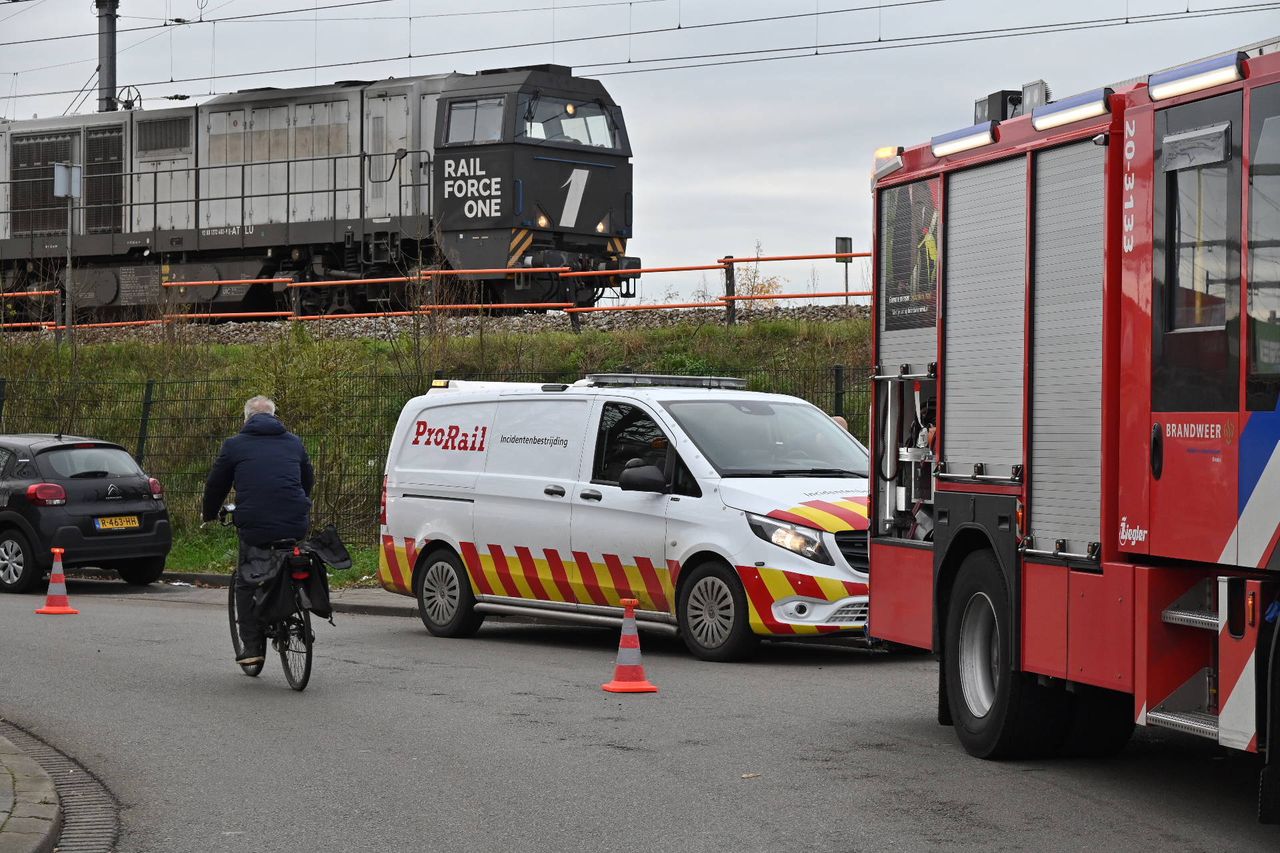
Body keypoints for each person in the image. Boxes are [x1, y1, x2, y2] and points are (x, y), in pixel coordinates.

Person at [202, 396, 314, 666]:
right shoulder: (294, 442)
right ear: (275, 416)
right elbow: (307, 479)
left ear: (247, 419)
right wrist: (296, 504)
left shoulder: (234, 445)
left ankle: (252, 646)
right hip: (296, 520)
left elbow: (216, 485)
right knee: (291, 557)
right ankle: (292, 607)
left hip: (256, 525)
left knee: (245, 579)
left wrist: (209, 514)